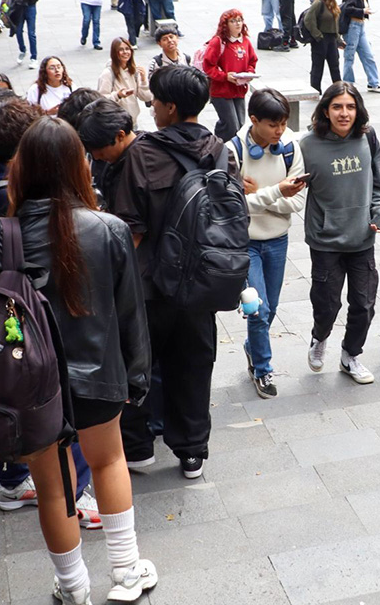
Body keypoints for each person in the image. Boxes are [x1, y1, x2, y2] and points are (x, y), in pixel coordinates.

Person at [0, 117, 155, 605]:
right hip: (100, 377)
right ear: (78, 165)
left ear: (21, 167)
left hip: (30, 386)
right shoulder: (109, 229)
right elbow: (131, 312)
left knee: (52, 486)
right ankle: (127, 573)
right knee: (109, 461)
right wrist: (137, 376)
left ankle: (73, 588)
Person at [104, 64, 234, 480]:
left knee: (138, 366)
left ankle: (139, 449)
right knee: (195, 364)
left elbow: (131, 231)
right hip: (202, 282)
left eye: (156, 101)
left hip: (150, 287)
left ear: (171, 107)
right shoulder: (219, 149)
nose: (152, 107)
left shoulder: (142, 153)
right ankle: (192, 450)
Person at [298, 82, 380, 383]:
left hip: (362, 237)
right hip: (325, 240)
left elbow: (378, 184)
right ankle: (320, 337)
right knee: (327, 304)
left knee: (364, 304)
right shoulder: (307, 145)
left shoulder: (367, 137)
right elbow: (291, 185)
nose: (344, 113)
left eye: (350, 106)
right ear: (326, 109)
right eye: (337, 106)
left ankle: (351, 355)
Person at [231, 89, 308, 398]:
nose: (280, 131)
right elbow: (235, 207)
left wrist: (260, 193)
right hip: (245, 242)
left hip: (277, 240)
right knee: (258, 309)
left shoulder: (290, 148)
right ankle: (262, 369)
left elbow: (297, 202)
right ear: (254, 120)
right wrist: (278, 192)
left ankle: (253, 346)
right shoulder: (232, 151)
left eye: (284, 124)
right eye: (273, 125)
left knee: (270, 307)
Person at [202, 9, 256, 140]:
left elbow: (252, 61)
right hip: (221, 91)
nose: (237, 24)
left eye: (239, 20)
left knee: (241, 126)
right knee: (231, 126)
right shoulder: (218, 42)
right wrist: (225, 76)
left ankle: (234, 150)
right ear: (225, 24)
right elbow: (208, 66)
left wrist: (249, 73)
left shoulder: (245, 42)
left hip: (239, 89)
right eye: (233, 21)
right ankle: (221, 145)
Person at [340, 0, 380, 91]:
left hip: (361, 25)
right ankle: (348, 82)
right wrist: (363, 11)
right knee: (350, 55)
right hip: (353, 26)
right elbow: (348, 9)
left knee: (368, 54)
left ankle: (374, 82)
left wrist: (366, 12)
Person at [99, 37, 152, 120]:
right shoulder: (108, 74)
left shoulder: (134, 71)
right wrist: (118, 95)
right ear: (115, 53)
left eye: (127, 49)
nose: (125, 52)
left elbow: (146, 97)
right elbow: (101, 100)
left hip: (132, 120)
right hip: (115, 122)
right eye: (121, 50)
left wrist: (143, 80)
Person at [303, 0, 341, 92]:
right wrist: (317, 35)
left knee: (335, 65)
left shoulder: (333, 4)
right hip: (321, 39)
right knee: (317, 67)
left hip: (331, 39)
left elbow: (335, 24)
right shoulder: (318, 3)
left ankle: (339, 89)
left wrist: (338, 39)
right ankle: (315, 90)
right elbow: (308, 19)